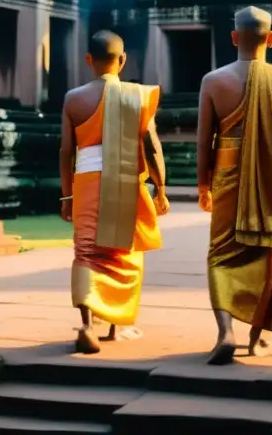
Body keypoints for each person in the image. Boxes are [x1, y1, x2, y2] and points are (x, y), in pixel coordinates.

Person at [196, 6, 272, 365]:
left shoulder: (213, 81)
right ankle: (254, 338)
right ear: (271, 38)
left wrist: (203, 185)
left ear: (234, 37)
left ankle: (225, 332)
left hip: (226, 176)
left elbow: (204, 139)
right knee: (267, 254)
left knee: (221, 253)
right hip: (271, 179)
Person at [59, 30, 169, 354]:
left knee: (87, 252)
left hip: (87, 179)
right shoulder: (136, 95)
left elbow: (66, 151)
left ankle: (87, 325)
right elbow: (152, 147)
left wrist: (67, 196)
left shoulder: (73, 99)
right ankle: (115, 328)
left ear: (89, 59)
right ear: (123, 60)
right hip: (125, 178)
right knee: (122, 253)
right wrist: (161, 189)